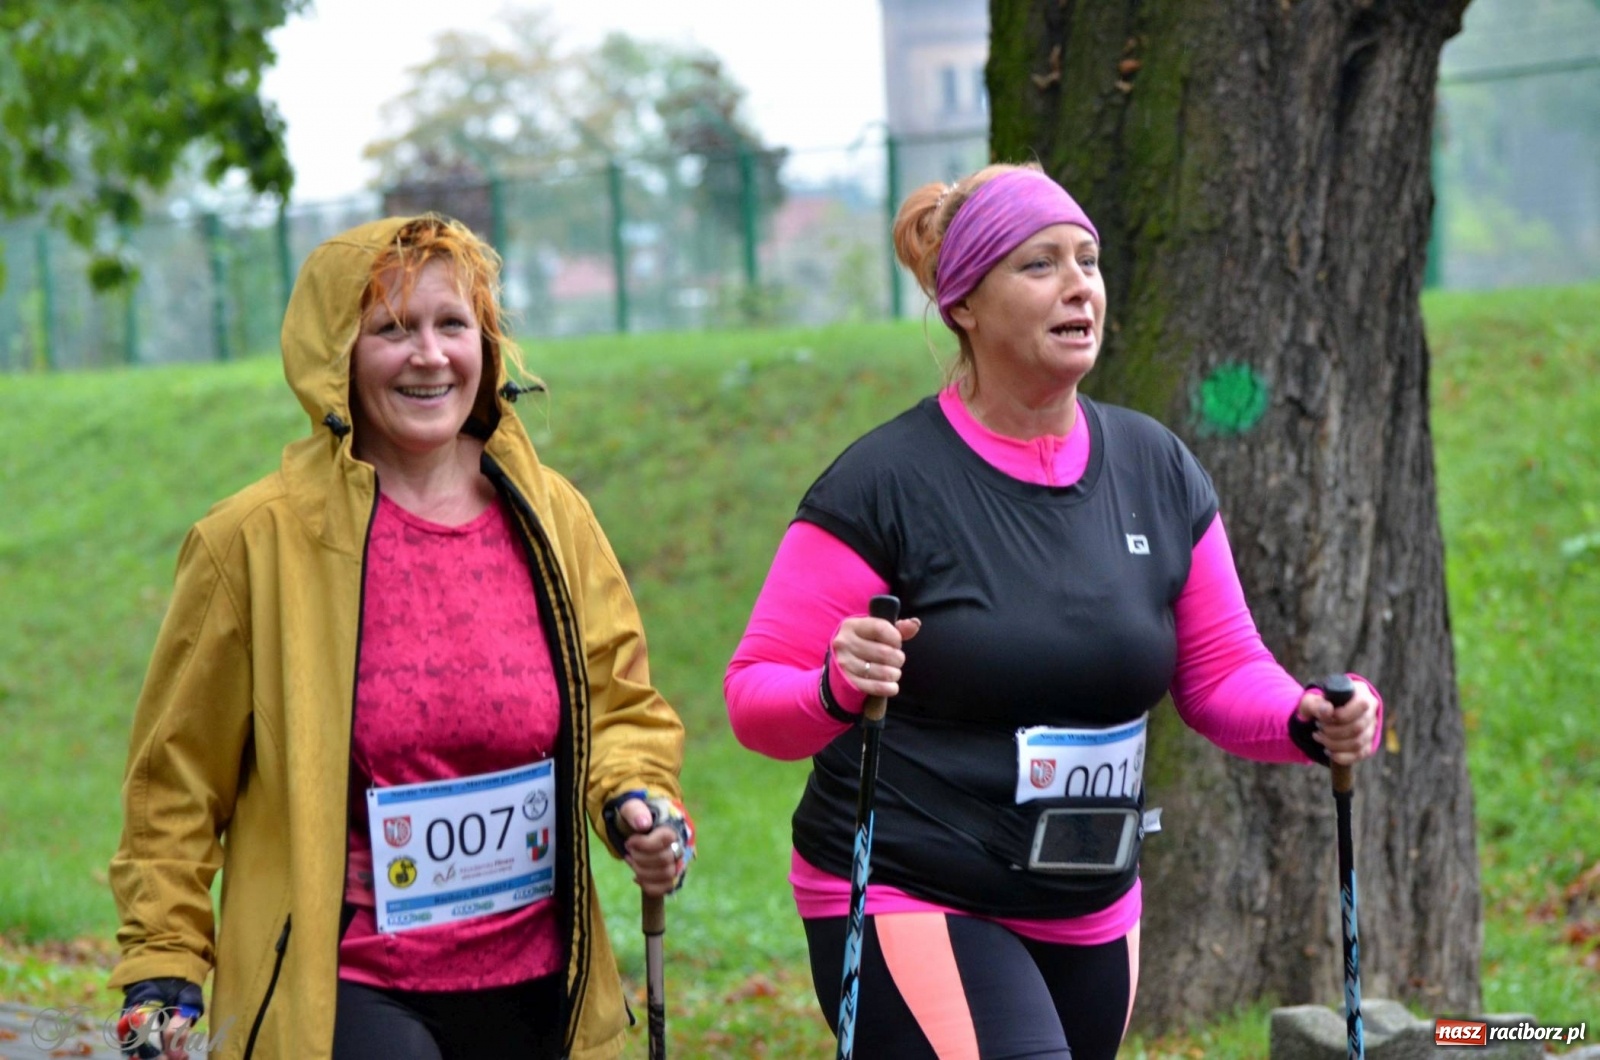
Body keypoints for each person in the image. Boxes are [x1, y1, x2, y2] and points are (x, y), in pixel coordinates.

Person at [723, 163, 1382, 1059]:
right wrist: (836, 685)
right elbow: (754, 696)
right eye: (1039, 265)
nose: (1079, 285)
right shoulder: (885, 485)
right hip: (912, 886)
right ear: (964, 304)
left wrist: (1308, 719)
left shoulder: (1156, 466)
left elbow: (1224, 673)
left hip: (1090, 897)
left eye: (1089, 260)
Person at [107, 214, 694, 1060]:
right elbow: (176, 780)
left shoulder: (554, 516)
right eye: (392, 329)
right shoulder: (252, 542)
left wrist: (638, 800)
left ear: (485, 346)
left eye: (452, 325)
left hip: (538, 983)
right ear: (335, 354)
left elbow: (620, 703)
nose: (429, 355)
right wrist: (163, 962)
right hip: (345, 987)